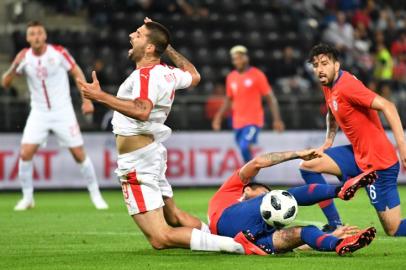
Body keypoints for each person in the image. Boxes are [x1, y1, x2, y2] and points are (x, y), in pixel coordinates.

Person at [77, 17, 264, 255]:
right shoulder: (167, 72)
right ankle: (225, 235)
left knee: (160, 237)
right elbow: (194, 76)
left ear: (149, 48)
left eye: (137, 33)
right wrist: (168, 48)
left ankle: (237, 246)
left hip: (137, 163)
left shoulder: (146, 75)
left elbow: (142, 110)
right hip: (151, 154)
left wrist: (100, 96)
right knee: (174, 217)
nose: (131, 36)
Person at [299, 43, 406, 236]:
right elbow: (332, 112)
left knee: (394, 229)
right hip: (357, 154)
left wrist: (403, 148)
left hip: (379, 163)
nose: (320, 69)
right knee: (308, 166)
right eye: (316, 65)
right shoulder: (328, 84)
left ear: (336, 65)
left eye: (324, 63)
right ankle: (335, 224)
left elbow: (388, 106)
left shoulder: (348, 86)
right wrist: (328, 141)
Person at [1, 21, 108, 211]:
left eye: (39, 33)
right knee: (25, 152)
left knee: (78, 154)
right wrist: (15, 64)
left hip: (62, 111)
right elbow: (6, 83)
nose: (36, 37)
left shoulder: (58, 53)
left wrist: (87, 100)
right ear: (27, 38)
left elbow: (77, 72)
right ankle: (27, 198)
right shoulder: (24, 58)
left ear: (45, 36)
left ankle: (96, 195)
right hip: (39, 112)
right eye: (32, 34)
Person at [208, 148, 377, 255]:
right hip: (225, 220)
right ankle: (339, 190)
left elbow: (296, 244)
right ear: (248, 189)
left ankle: (339, 245)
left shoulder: (266, 218)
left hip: (247, 242)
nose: (267, 195)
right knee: (285, 196)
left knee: (302, 233)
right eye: (264, 192)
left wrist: (329, 236)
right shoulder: (232, 189)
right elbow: (258, 162)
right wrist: (297, 154)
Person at [212, 45, 285, 163]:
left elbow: (271, 98)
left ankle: (250, 177)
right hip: (237, 122)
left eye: (240, 57)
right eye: (235, 58)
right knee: (244, 149)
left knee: (244, 146)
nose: (237, 60)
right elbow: (228, 99)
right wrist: (218, 117)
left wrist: (277, 120)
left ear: (246, 58)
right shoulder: (231, 77)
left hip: (253, 121)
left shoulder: (257, 75)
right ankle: (251, 172)